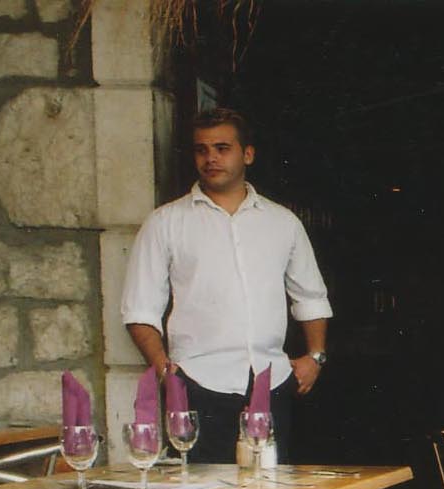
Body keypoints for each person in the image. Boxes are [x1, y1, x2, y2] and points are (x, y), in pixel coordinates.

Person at [121, 107, 331, 468]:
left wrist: (315, 357)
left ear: (247, 154)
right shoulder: (165, 223)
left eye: (222, 148)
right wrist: (165, 372)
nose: (211, 158)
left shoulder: (283, 223)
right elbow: (140, 308)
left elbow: (311, 296)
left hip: (271, 380)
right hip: (197, 385)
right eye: (201, 150)